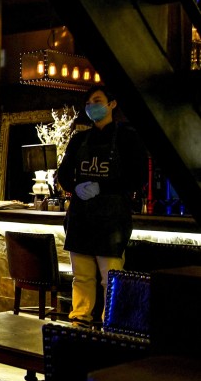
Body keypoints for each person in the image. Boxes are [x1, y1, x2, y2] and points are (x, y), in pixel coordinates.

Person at [56, 86, 147, 325]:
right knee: (81, 277)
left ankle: (112, 323)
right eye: (88, 103)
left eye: (96, 100)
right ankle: (80, 320)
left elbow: (138, 178)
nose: (91, 106)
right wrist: (75, 187)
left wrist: (102, 187)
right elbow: (63, 174)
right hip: (80, 218)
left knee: (111, 278)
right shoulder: (79, 139)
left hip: (112, 221)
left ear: (112, 104)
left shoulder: (128, 137)